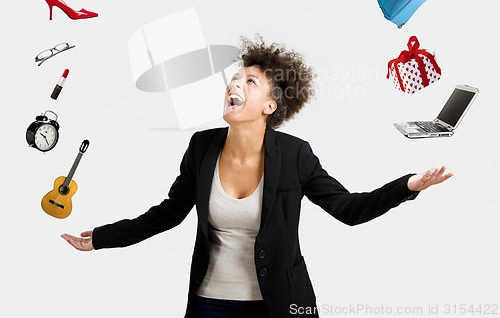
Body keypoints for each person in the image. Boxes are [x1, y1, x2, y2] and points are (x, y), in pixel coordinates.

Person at [62, 35, 452, 318]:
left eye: (250, 81)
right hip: (209, 302)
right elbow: (168, 214)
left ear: (270, 105)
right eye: (235, 78)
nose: (235, 84)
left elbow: (348, 209)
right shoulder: (202, 147)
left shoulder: (296, 154)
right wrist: (100, 239)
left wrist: (407, 186)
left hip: (281, 304)